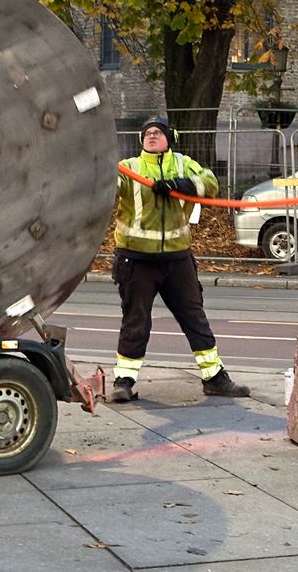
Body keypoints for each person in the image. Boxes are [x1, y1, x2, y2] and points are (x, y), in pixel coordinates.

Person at [110, 116, 250, 402]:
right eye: (147, 133)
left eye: (157, 132)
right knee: (136, 320)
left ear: (169, 138)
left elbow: (210, 183)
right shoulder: (129, 168)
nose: (151, 136)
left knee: (194, 317)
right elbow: (108, 186)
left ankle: (214, 378)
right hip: (136, 259)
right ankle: (123, 380)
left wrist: (180, 185)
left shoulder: (183, 163)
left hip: (177, 259)